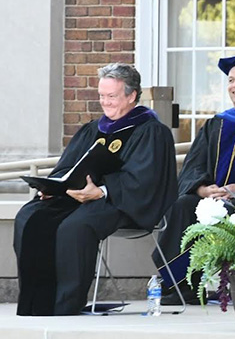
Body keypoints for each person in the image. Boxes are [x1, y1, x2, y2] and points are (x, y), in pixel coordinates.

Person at [14, 63, 177, 316]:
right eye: (101, 95)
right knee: (30, 215)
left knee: (76, 226)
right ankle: (35, 301)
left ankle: (65, 304)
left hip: (122, 202)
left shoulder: (151, 131)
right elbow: (67, 166)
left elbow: (144, 180)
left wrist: (101, 192)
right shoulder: (94, 129)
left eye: (111, 96)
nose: (105, 102)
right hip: (78, 197)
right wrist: (52, 187)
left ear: (131, 95)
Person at [152, 56, 235, 303]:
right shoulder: (217, 123)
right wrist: (203, 189)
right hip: (212, 198)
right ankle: (182, 286)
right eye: (231, 80)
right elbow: (194, 163)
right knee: (181, 206)